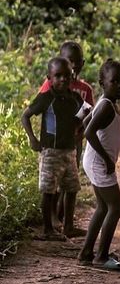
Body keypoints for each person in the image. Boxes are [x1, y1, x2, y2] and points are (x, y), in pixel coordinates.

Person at [21, 57, 85, 240]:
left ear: (72, 76)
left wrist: (81, 131)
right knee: (48, 190)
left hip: (70, 151)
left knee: (72, 189)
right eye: (58, 76)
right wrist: (33, 139)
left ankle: (69, 227)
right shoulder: (45, 98)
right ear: (49, 77)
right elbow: (25, 116)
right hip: (50, 152)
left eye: (66, 75)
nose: (63, 79)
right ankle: (47, 229)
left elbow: (87, 114)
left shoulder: (75, 98)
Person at [78, 59, 120, 270]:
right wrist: (107, 159)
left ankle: (86, 252)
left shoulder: (105, 102)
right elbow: (88, 131)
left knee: (102, 207)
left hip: (94, 161)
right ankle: (101, 256)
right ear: (102, 82)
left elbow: (86, 121)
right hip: (99, 163)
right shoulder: (106, 106)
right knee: (116, 208)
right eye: (114, 81)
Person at [39, 41, 94, 225]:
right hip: (54, 143)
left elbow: (89, 113)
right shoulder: (50, 85)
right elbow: (42, 107)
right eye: (69, 60)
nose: (73, 65)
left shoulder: (85, 89)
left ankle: (63, 218)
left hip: (74, 142)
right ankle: (53, 218)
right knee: (52, 182)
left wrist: (81, 134)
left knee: (70, 180)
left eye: (77, 61)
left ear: (82, 63)